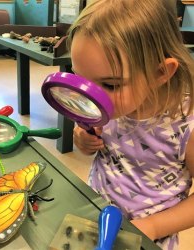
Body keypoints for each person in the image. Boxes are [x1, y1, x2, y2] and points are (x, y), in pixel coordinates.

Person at [68, 0, 194, 249]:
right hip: (94, 214)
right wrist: (82, 139)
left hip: (148, 234)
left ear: (160, 73)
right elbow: (86, 136)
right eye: (81, 80)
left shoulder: (186, 124)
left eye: (111, 85)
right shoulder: (112, 104)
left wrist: (154, 227)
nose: (92, 98)